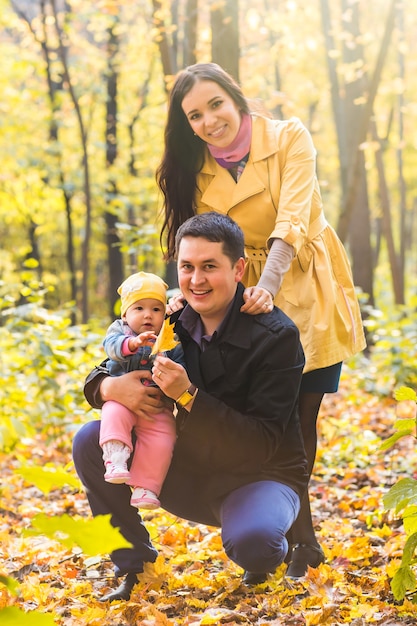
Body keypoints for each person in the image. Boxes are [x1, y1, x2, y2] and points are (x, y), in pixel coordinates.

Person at [156, 62, 367, 578]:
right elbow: (196, 239)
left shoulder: (289, 137)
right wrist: (181, 291)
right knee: (264, 413)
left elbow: (294, 217)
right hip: (238, 286)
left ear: (236, 98)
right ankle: (291, 533)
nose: (209, 121)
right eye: (195, 116)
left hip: (298, 279)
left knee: (302, 414)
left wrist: (267, 288)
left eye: (215, 105)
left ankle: (303, 537)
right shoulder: (196, 169)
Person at [73, 212, 309, 602]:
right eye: (187, 267)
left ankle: (263, 544)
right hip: (189, 469)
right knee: (89, 440)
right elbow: (100, 373)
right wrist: (112, 387)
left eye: (209, 267)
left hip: (259, 475)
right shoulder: (170, 320)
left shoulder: (276, 335)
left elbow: (263, 441)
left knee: (256, 543)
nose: (196, 280)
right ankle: (135, 564)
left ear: (238, 269)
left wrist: (188, 395)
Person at [99, 271, 184, 510]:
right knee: (113, 413)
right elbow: (111, 348)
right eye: (139, 309)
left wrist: (173, 368)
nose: (148, 315)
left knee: (163, 436)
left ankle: (146, 487)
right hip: (123, 399)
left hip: (156, 407)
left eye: (156, 309)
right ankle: (115, 458)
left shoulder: (168, 337)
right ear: (126, 313)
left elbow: (181, 363)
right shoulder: (120, 330)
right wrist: (132, 344)